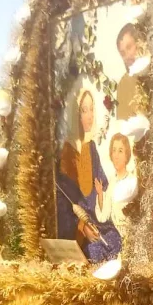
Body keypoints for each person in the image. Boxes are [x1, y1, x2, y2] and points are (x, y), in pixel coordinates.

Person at [56, 89, 122, 262]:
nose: (90, 116)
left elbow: (101, 186)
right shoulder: (67, 153)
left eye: (92, 109)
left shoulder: (91, 147)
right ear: (76, 114)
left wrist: (101, 199)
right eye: (84, 110)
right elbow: (63, 204)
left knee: (114, 239)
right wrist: (82, 226)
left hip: (95, 221)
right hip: (77, 229)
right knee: (95, 250)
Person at [115, 23, 142, 119]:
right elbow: (123, 126)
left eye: (129, 47)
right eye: (122, 53)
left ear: (139, 42)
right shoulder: (123, 84)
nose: (127, 56)